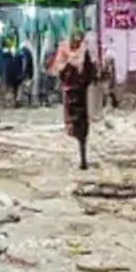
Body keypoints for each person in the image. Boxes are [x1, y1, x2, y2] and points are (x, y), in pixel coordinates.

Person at [50, 27, 97, 170]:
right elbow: (58, 69)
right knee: (72, 125)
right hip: (70, 93)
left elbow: (90, 71)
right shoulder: (63, 50)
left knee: (82, 128)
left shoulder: (84, 52)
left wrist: (85, 81)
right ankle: (77, 154)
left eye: (79, 41)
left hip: (80, 94)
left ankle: (83, 157)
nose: (77, 44)